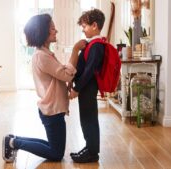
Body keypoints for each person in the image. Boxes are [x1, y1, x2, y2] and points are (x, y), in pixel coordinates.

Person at [2, 13, 86, 163]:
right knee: (55, 153)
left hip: (52, 109)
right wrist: (75, 50)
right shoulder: (42, 56)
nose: (56, 31)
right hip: (52, 110)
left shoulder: (44, 54)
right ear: (42, 32)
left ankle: (13, 140)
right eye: (52, 29)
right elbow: (66, 74)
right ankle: (14, 143)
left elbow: (60, 75)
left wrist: (67, 79)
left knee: (54, 147)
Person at [69, 8, 106, 163]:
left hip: (88, 88)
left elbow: (90, 70)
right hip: (86, 87)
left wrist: (77, 89)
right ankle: (89, 147)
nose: (83, 30)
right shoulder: (92, 44)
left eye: (84, 26)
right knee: (86, 118)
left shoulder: (97, 45)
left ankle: (92, 152)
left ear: (94, 26)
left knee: (89, 119)